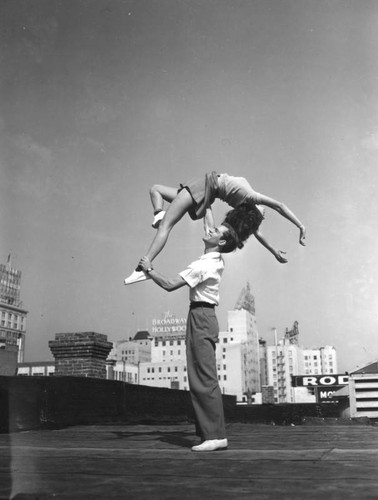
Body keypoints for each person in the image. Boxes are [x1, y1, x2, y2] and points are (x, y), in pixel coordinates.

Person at [137, 217, 243, 451]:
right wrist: (205, 203)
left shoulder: (205, 264)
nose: (210, 229)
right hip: (201, 316)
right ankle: (210, 434)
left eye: (216, 231)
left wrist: (149, 270)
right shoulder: (214, 258)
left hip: (201, 317)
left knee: (203, 379)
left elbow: (170, 284)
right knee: (200, 377)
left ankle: (215, 436)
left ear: (221, 240)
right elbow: (209, 222)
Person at [124, 171, 306, 284]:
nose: (264, 213)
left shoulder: (249, 199)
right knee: (156, 190)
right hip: (205, 191)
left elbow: (279, 207)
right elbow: (260, 232)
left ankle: (142, 269)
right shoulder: (248, 202)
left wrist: (300, 226)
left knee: (165, 226)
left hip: (204, 187)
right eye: (263, 215)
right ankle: (158, 213)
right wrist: (275, 250)